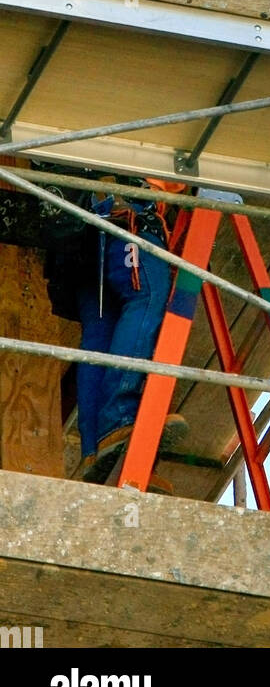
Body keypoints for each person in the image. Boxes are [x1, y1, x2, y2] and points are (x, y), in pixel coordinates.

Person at [42, 172, 187, 483]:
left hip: (81, 239)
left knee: (99, 336)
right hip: (124, 217)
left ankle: (93, 449)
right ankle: (119, 419)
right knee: (146, 298)